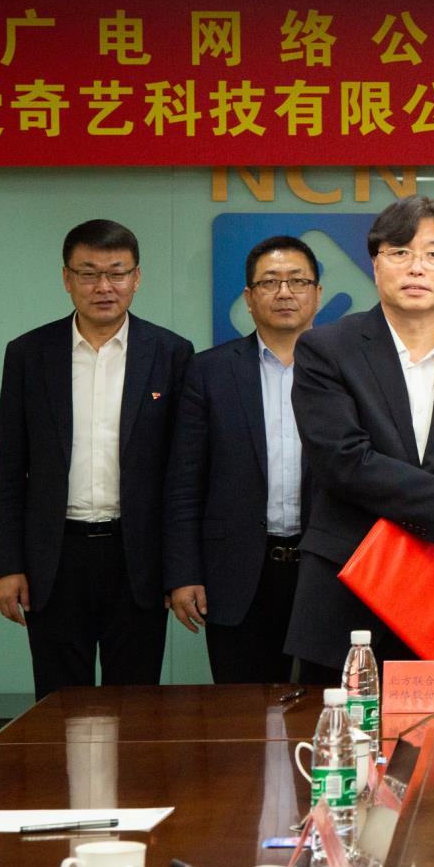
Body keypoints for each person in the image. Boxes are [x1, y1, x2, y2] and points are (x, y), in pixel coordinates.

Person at [283, 196, 434, 684]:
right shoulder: (326, 350)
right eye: (400, 252)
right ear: (375, 265)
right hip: (345, 603)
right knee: (335, 733)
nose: (417, 267)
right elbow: (344, 462)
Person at [0, 219, 194, 699]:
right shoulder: (29, 354)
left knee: (136, 703)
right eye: (88, 273)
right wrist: (8, 564)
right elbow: (9, 469)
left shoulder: (171, 353)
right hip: (56, 557)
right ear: (67, 279)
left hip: (137, 557)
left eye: (117, 273)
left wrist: (181, 570)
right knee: (60, 703)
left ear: (137, 278)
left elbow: (181, 476)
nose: (104, 286)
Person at [162, 236, 322, 684]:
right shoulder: (208, 371)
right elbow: (184, 482)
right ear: (249, 298)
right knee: (242, 710)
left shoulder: (347, 370)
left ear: (317, 294)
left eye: (297, 281)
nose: (284, 292)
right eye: (270, 282)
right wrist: (183, 573)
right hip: (236, 571)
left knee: (326, 705)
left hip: (325, 570)